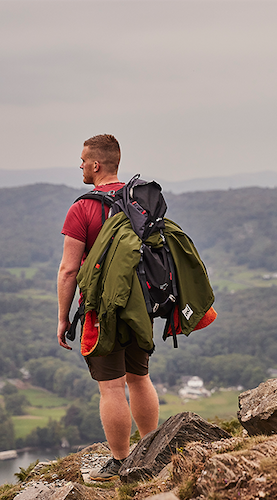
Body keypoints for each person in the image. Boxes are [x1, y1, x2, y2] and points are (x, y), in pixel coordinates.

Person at [56, 134, 159, 481]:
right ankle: (153, 451)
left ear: (95, 164)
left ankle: (120, 462)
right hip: (140, 303)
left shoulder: (83, 208)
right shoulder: (138, 200)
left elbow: (69, 269)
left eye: (83, 160)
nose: (81, 165)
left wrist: (62, 318)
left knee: (112, 386)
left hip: (101, 309)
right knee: (140, 378)